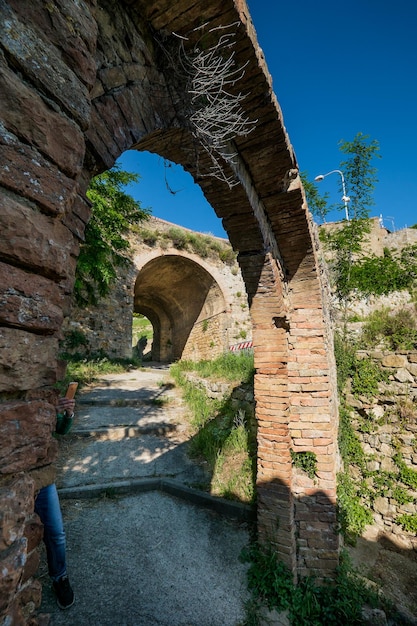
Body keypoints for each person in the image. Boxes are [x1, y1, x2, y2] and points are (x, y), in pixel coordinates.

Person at [35, 397, 75, 610]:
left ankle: (60, 578)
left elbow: (60, 429)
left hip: (42, 476)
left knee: (56, 533)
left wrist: (66, 414)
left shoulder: (40, 389)